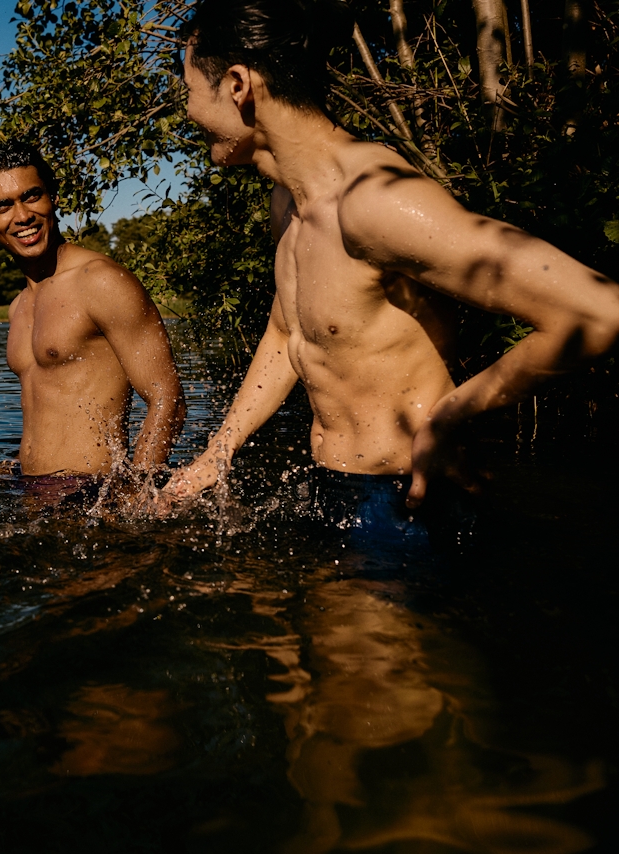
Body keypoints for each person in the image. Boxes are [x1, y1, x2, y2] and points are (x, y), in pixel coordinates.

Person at [163, 0, 619, 528]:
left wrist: (446, 419)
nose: (189, 109)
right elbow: (288, 332)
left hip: (404, 502)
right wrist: (219, 450)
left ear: (238, 84)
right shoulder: (288, 203)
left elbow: (598, 311)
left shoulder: (376, 204)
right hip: (333, 485)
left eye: (190, 88)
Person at [0, 140, 186, 491]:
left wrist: (135, 495)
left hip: (90, 496)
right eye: (4, 206)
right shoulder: (19, 305)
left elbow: (168, 400)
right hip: (31, 490)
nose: (22, 215)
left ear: (54, 197)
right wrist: (16, 467)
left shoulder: (100, 282)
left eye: (32, 196)